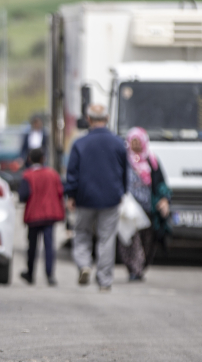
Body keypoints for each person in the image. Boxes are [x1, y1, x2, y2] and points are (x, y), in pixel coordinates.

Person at [64, 104, 127, 292]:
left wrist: (71, 195)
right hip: (111, 198)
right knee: (106, 239)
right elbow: (125, 172)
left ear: (88, 119)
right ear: (107, 118)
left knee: (82, 233)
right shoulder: (118, 143)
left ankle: (84, 265)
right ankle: (105, 281)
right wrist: (122, 192)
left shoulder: (80, 144)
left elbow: (72, 173)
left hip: (85, 197)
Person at [118, 127, 172, 281]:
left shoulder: (151, 160)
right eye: (132, 141)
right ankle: (134, 269)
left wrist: (164, 199)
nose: (135, 144)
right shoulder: (124, 160)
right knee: (130, 239)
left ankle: (141, 266)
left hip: (148, 208)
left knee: (148, 240)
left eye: (138, 141)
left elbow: (161, 183)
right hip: (129, 209)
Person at [18, 148, 64, 286]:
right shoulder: (53, 174)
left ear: (30, 159)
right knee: (49, 245)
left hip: (34, 215)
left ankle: (30, 273)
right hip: (50, 214)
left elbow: (22, 196)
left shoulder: (27, 175)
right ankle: (50, 275)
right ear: (43, 159)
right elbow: (60, 192)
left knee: (32, 246)